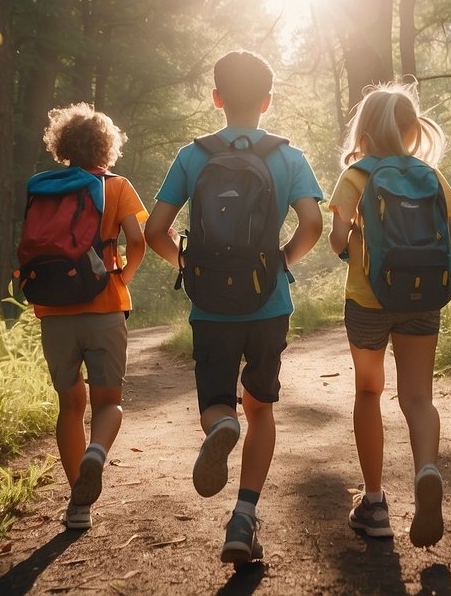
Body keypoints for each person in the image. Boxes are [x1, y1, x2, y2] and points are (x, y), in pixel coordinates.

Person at [144, 50, 324, 565]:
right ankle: (244, 515)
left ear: (217, 98)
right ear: (267, 101)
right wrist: (280, 263)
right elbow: (311, 225)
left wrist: (186, 266)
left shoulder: (193, 155)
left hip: (211, 308)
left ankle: (220, 424)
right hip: (269, 305)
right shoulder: (287, 157)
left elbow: (155, 230)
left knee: (219, 403)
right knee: (262, 407)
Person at [327, 83, 451, 547]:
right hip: (423, 299)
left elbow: (335, 243)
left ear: (365, 131)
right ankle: (426, 470)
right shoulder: (431, 176)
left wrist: (357, 230)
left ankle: (374, 503)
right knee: (418, 398)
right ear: (412, 131)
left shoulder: (356, 175)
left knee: (369, 392)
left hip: (369, 300)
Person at [31, 103, 148, 531]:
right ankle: (97, 452)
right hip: (104, 307)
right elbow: (137, 242)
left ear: (62, 145)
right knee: (109, 402)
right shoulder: (115, 186)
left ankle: (77, 505)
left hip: (53, 311)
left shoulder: (43, 188)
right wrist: (122, 277)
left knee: (69, 406)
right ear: (107, 144)